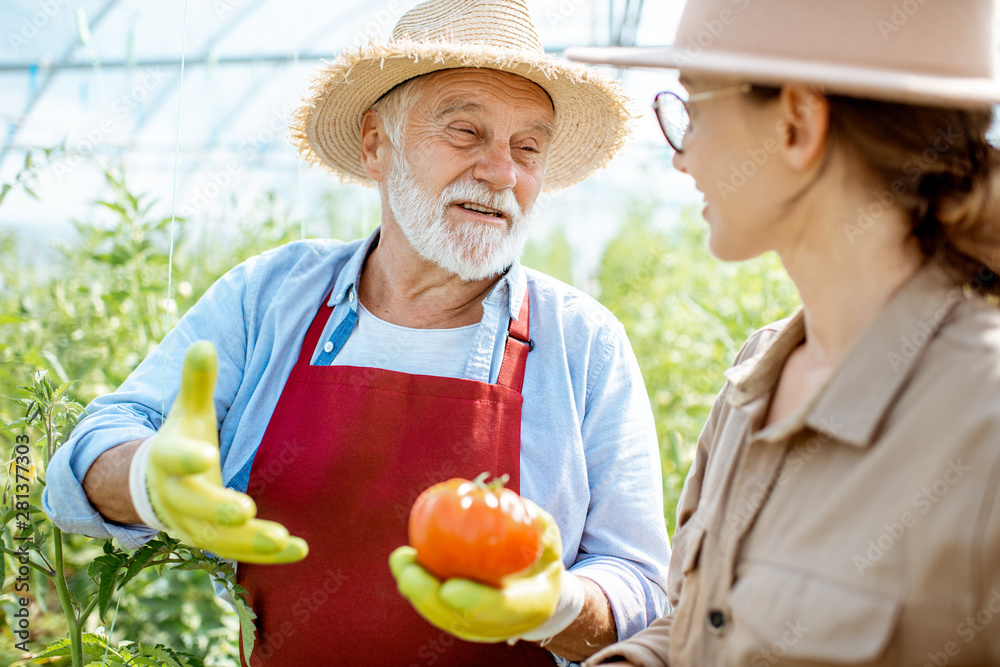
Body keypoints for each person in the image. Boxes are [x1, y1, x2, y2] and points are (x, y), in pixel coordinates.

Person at [42, 0, 673, 664]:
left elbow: (640, 585)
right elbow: (98, 441)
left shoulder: (583, 343)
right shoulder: (271, 297)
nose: (501, 171)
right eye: (465, 131)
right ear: (377, 143)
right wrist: (146, 478)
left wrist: (561, 607)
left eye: (528, 147)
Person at [564, 0, 1000, 664]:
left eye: (695, 112)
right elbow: (696, 629)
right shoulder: (755, 379)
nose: (681, 160)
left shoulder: (981, 419)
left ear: (795, 124)